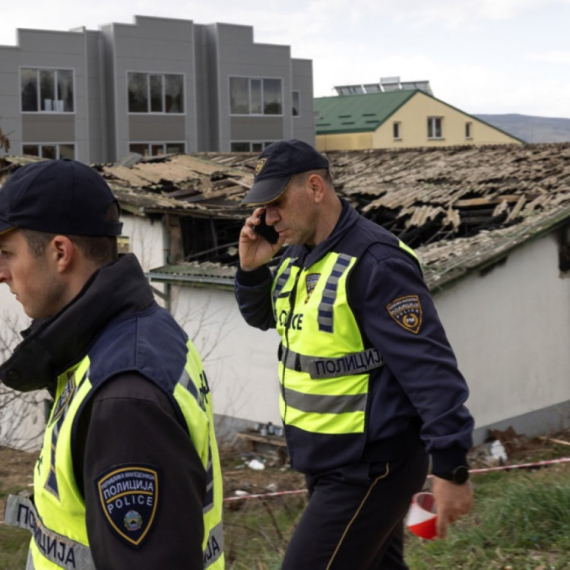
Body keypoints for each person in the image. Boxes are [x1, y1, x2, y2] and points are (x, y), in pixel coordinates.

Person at [235, 139, 474, 569]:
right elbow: (267, 317)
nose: (267, 218)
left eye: (275, 203)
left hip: (371, 465)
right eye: (262, 207)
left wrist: (451, 464)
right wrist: (252, 271)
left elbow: (429, 369)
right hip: (326, 459)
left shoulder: (376, 263)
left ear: (314, 187)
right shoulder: (296, 257)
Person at [0, 159, 224, 569]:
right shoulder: (131, 335)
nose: (1, 273)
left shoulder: (123, 397)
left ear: (60, 252)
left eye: (7, 254)